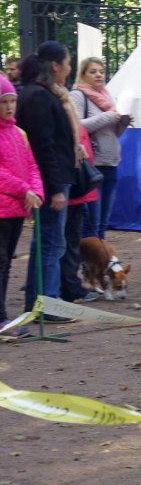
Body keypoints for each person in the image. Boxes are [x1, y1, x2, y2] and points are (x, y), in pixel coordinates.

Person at [16, 41, 83, 321]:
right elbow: (44, 148)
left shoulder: (43, 95)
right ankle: (46, 305)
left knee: (47, 243)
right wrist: (55, 189)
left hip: (52, 179)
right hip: (50, 181)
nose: (69, 69)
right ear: (55, 66)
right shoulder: (39, 98)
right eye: (67, 63)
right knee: (51, 244)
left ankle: (39, 304)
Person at [0, 74, 43, 336]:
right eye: (3, 102)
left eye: (12, 101)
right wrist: (24, 189)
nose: (9, 107)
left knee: (6, 263)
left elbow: (32, 166)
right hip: (3, 208)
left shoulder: (19, 134)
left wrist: (36, 191)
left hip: (17, 208)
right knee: (1, 262)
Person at [70, 57, 129, 240]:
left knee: (103, 224)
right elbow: (77, 126)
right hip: (92, 166)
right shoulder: (77, 95)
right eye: (93, 71)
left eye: (101, 72)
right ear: (83, 74)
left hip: (111, 164)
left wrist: (122, 124)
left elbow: (111, 134)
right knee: (92, 224)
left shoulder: (106, 97)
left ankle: (98, 265)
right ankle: (88, 264)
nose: (98, 75)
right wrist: (109, 117)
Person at [60, 125, 100, 304]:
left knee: (71, 244)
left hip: (77, 192)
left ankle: (69, 285)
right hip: (70, 192)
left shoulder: (76, 124)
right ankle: (67, 287)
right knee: (65, 245)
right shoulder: (69, 122)